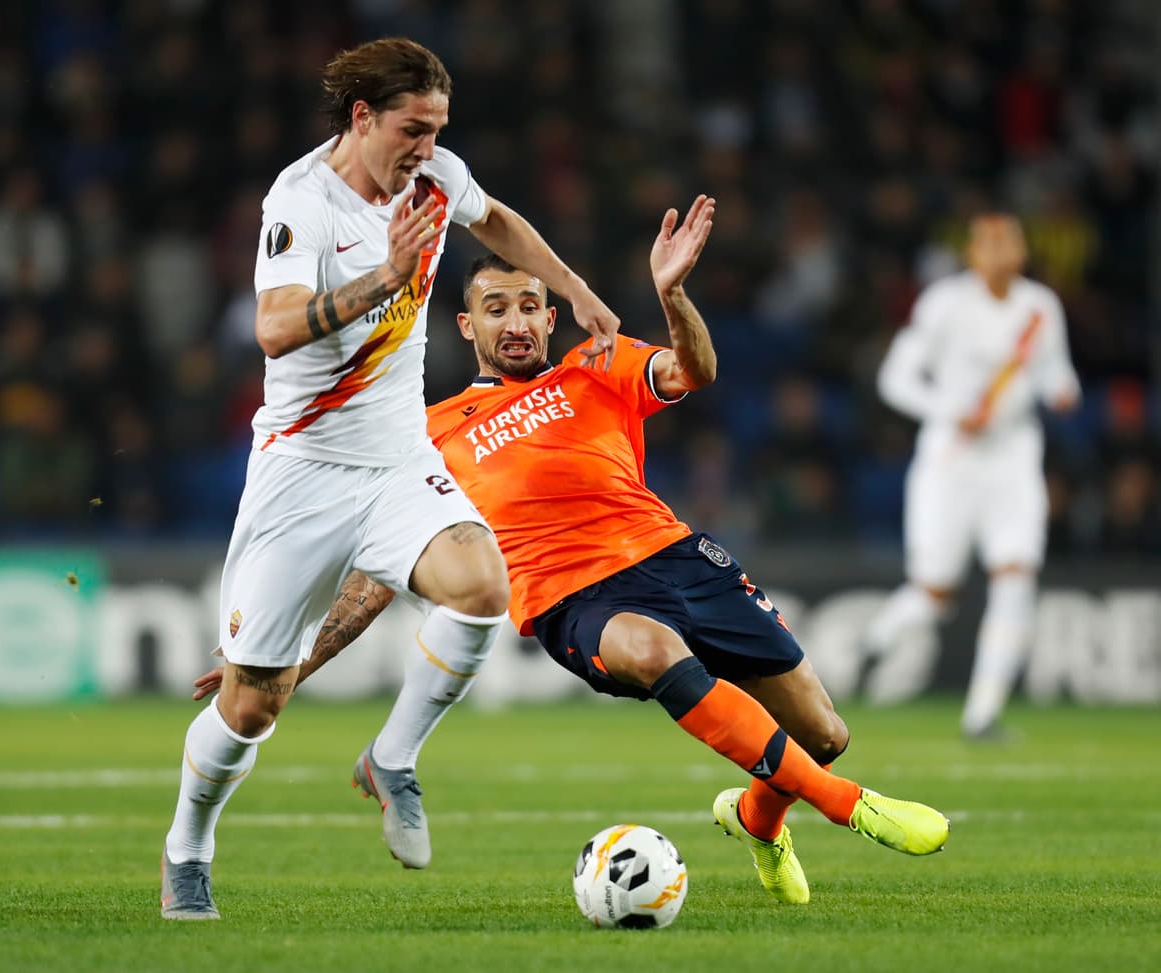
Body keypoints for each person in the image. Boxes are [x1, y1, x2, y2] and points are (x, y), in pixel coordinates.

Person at [196, 195, 951, 907]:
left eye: (529, 306)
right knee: (653, 652)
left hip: (679, 556)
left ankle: (759, 819)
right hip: (574, 597)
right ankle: (851, 807)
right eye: (496, 309)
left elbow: (697, 372)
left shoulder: (601, 361)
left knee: (824, 735)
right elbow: (375, 575)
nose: (516, 322)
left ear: (552, 315)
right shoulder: (429, 432)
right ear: (466, 326)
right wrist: (296, 663)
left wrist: (674, 296)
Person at [161, 37, 620, 920]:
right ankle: (189, 845)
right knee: (251, 702)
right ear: (363, 117)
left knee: (483, 587)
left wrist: (579, 290)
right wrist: (388, 276)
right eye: (414, 127)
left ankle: (393, 758)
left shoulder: (439, 177)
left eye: (439, 128)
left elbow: (500, 223)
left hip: (400, 459)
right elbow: (273, 327)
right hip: (303, 470)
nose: (428, 145)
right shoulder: (300, 200)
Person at [865, 213, 1080, 740]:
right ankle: (869, 645)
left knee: (1016, 575)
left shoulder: (1040, 307)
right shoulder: (945, 303)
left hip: (1013, 456)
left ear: (1023, 250)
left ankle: (981, 715)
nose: (1002, 250)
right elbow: (895, 378)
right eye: (991, 241)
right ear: (973, 252)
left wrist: (1062, 390)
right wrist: (951, 410)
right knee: (933, 595)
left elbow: (1056, 372)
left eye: (1011, 239)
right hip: (951, 457)